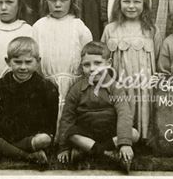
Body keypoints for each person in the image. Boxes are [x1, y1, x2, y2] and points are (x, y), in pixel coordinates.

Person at [0, 36, 59, 166]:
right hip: (4, 135)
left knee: (45, 139)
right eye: (18, 62)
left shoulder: (46, 87)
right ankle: (28, 157)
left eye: (28, 62)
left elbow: (49, 122)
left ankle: (2, 151)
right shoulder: (1, 84)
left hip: (30, 137)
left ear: (38, 61)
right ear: (8, 61)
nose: (23, 67)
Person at [56, 42, 137, 172]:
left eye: (98, 63)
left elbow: (124, 114)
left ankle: (88, 152)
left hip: (109, 133)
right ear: (82, 66)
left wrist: (125, 144)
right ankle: (109, 155)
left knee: (133, 134)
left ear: (108, 63)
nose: (92, 69)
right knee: (71, 134)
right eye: (87, 65)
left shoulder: (115, 87)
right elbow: (67, 117)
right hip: (87, 132)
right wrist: (63, 148)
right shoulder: (77, 89)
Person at [101, 0, 157, 141]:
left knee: (143, 105)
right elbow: (103, 57)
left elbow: (158, 57)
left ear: (144, 4)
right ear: (119, 3)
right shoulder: (110, 29)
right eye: (126, 1)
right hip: (119, 82)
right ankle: (122, 137)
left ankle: (144, 137)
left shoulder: (151, 30)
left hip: (143, 84)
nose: (131, 6)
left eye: (137, 2)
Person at [32, 0, 93, 117]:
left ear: (72, 1)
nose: (58, 4)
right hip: (46, 85)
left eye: (63, 0)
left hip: (73, 86)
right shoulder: (39, 26)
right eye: (52, 0)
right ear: (45, 1)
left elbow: (88, 57)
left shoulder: (78, 26)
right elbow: (33, 57)